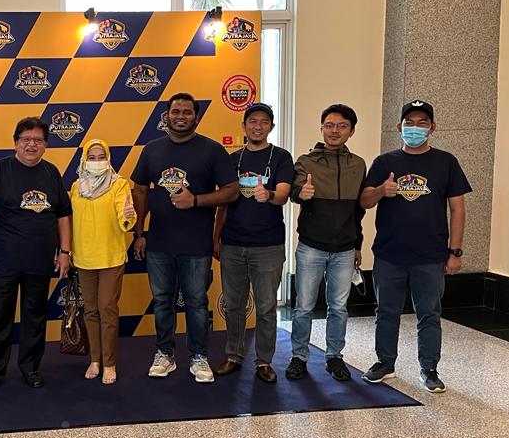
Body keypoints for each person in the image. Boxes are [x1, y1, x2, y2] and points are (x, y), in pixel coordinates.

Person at [359, 100, 470, 393]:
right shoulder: (385, 162)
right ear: (399, 127)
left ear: (432, 128)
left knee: (429, 314)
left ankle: (429, 368)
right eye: (409, 123)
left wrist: (455, 251)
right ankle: (385, 363)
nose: (415, 128)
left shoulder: (446, 162)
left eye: (422, 123)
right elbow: (365, 201)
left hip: (431, 255)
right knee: (386, 311)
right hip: (389, 253)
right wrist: (381, 190)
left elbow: (457, 209)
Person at [131, 92, 238, 382]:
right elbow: (139, 191)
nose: (181, 117)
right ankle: (164, 354)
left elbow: (231, 191)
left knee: (196, 303)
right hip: (159, 242)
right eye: (175, 111)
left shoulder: (212, 150)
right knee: (162, 301)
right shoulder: (152, 149)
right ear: (166, 116)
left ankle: (199, 357)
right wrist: (139, 232)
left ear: (196, 117)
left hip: (196, 243)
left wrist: (197, 200)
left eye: (187, 112)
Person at [0, 117, 72, 392]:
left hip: (40, 260)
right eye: (26, 139)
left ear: (46, 144)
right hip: (3, 259)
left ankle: (31, 367)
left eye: (38, 140)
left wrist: (65, 251)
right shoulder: (0, 169)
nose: (31, 145)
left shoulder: (51, 172)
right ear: (16, 142)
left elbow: (63, 215)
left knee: (35, 317)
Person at [212, 103, 293, 383]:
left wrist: (268, 195)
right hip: (233, 243)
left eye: (264, 122)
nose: (258, 126)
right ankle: (234, 355)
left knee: (267, 306)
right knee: (234, 304)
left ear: (271, 126)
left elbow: (283, 194)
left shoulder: (281, 157)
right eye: (253, 121)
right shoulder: (232, 159)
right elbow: (223, 203)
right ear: (244, 125)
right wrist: (216, 237)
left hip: (268, 244)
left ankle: (264, 361)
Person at [285, 104, 367, 382]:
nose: (334, 131)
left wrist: (358, 245)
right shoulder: (306, 162)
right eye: (329, 125)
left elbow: (358, 210)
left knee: (339, 308)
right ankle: (299, 357)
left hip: (345, 249)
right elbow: (293, 191)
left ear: (351, 131)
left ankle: (334, 357)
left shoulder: (358, 164)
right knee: (304, 307)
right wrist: (302, 192)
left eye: (342, 126)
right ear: (321, 128)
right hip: (311, 246)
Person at [68, 138, 135, 385]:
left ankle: (109, 363)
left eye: (101, 157)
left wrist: (128, 216)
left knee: (107, 309)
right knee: (91, 311)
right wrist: (68, 251)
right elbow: (71, 220)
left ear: (108, 159)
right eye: (92, 157)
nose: (97, 162)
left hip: (110, 256)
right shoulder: (77, 186)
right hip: (84, 257)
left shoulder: (119, 184)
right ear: (84, 160)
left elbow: (125, 218)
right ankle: (95, 360)